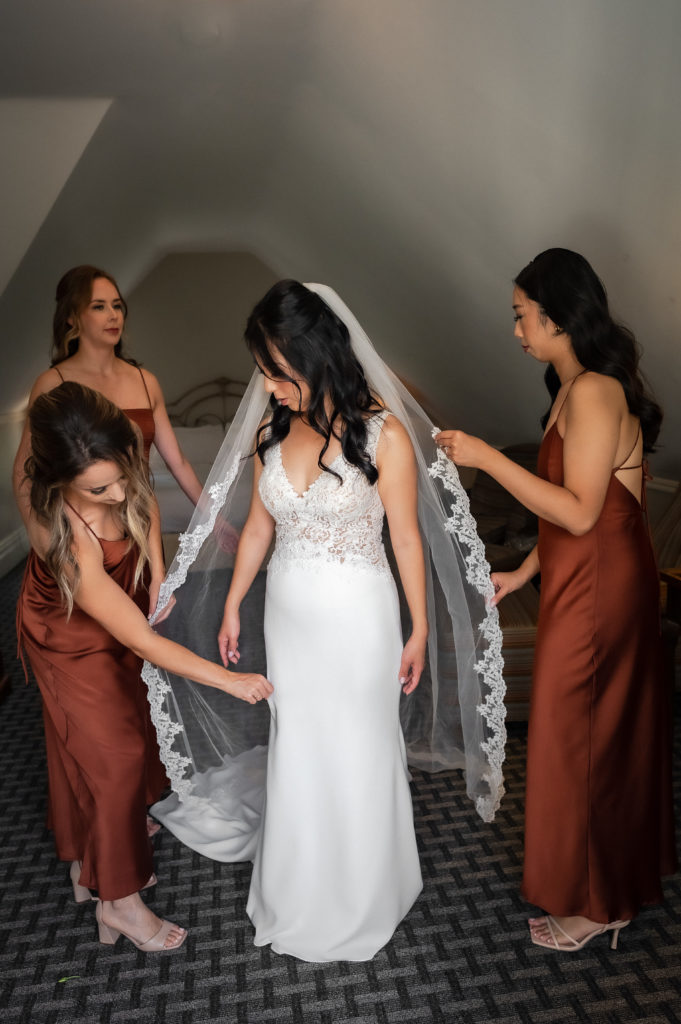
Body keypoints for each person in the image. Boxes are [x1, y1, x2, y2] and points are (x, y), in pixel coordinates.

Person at [143, 281, 507, 963]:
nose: (268, 387)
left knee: (359, 744)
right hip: (289, 617)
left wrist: (419, 629)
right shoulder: (268, 432)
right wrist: (230, 601)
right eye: (262, 371)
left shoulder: (383, 434)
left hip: (359, 620)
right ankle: (299, 886)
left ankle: (366, 889)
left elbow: (405, 539)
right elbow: (256, 528)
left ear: (313, 356)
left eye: (276, 372)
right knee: (300, 743)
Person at [435, 247, 677, 951]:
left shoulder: (597, 390)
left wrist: (486, 458)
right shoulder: (571, 390)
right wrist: (525, 571)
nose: (515, 331)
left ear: (557, 315)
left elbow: (580, 512)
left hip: (606, 585)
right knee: (581, 734)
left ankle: (602, 904)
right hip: (582, 575)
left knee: (588, 738)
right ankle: (602, 882)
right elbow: (578, 511)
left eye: (521, 316)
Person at [16, 382, 272, 952]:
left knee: (113, 734)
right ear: (61, 483)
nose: (112, 493)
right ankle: (120, 903)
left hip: (120, 602)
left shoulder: (121, 455)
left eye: (116, 477)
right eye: (95, 488)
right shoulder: (67, 539)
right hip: (64, 634)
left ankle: (87, 859)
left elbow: (145, 502)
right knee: (114, 755)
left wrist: (157, 570)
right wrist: (229, 680)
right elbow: (146, 643)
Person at [13, 264, 205, 614]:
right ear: (72, 317)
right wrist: (43, 541)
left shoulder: (146, 381)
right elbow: (25, 473)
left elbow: (177, 462)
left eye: (117, 305)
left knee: (139, 648)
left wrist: (211, 516)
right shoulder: (52, 383)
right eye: (98, 306)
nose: (113, 315)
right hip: (78, 539)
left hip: (139, 534)